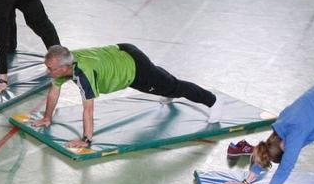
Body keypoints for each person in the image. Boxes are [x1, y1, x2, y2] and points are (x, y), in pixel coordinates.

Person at [34, 44, 222, 149]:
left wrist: (86, 140)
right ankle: (163, 82)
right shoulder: (66, 62)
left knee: (173, 87)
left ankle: (212, 101)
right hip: (123, 51)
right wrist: (47, 117)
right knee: (162, 81)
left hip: (135, 70)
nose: (48, 71)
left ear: (65, 67)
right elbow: (54, 91)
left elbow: (88, 109)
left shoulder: (83, 74)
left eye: (50, 68)